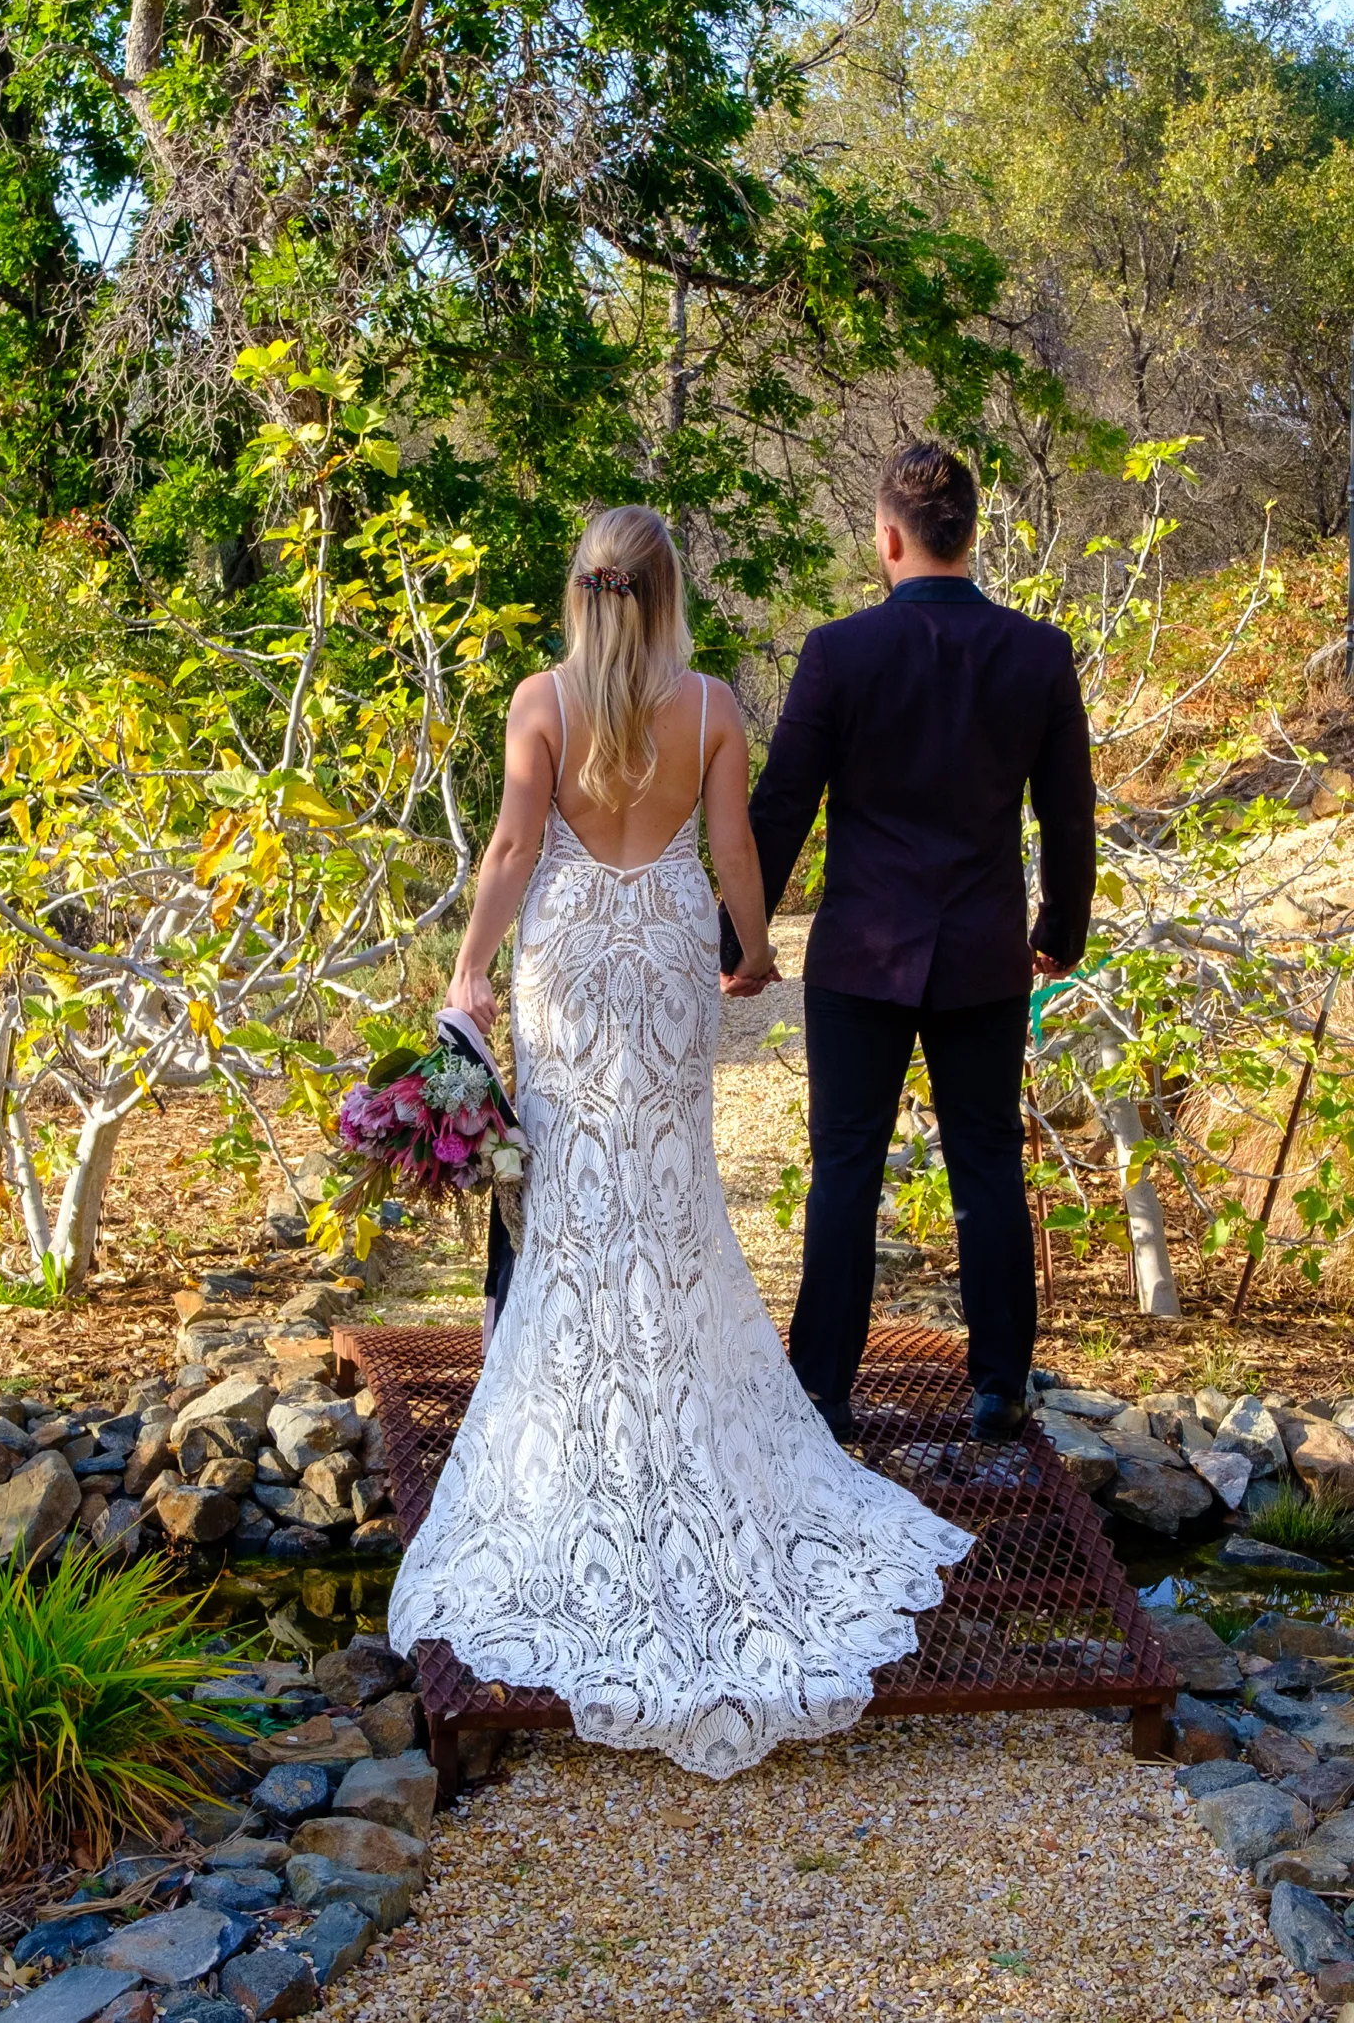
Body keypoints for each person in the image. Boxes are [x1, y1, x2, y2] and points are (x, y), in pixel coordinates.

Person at [385, 503, 972, 1780]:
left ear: (583, 589)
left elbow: (512, 844)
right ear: (668, 591)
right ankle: (687, 1432)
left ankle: (575, 1454)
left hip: (568, 966)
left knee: (572, 1200)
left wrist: (470, 971)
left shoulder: (539, 700)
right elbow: (732, 849)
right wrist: (753, 953)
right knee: (666, 1191)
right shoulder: (708, 703)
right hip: (657, 956)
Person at [721, 442, 1097, 1445]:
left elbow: (781, 808)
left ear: (887, 538)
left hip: (861, 955)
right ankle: (996, 1388)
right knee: (985, 1166)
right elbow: (1068, 815)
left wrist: (736, 936)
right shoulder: (1038, 652)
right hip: (980, 952)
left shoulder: (839, 652)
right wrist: (1062, 927)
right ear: (967, 535)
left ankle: (823, 1388)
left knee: (843, 1167)